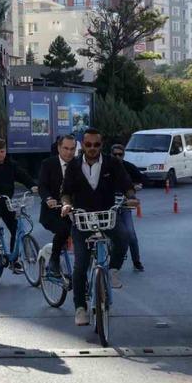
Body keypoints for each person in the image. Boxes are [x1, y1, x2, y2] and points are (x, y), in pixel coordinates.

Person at [60, 129, 137, 326]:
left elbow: (127, 184)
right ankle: (80, 308)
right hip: (82, 220)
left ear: (101, 146)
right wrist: (67, 205)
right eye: (88, 145)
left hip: (107, 217)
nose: (92, 148)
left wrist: (131, 198)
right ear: (82, 146)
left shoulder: (113, 163)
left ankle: (113, 270)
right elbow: (66, 192)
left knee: (124, 237)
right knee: (81, 265)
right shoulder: (73, 166)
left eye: (96, 145)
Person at [0, 138, 36, 270]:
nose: (0, 154)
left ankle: (13, 261)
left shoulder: (11, 164)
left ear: (6, 150)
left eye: (2, 151)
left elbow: (22, 175)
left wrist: (32, 185)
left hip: (6, 201)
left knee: (15, 228)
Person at [37, 135, 77, 276]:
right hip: (52, 211)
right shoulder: (48, 164)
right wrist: (48, 198)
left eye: (72, 149)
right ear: (59, 148)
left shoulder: (79, 164)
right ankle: (54, 261)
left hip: (74, 210)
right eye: (65, 148)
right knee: (63, 230)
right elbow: (42, 185)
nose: (69, 152)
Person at [111, 144, 145, 272]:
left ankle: (136, 261)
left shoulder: (128, 167)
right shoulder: (104, 166)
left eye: (120, 154)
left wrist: (136, 187)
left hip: (123, 204)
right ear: (111, 155)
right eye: (115, 154)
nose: (118, 157)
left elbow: (142, 179)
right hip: (108, 205)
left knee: (130, 234)